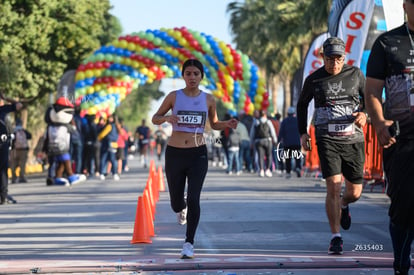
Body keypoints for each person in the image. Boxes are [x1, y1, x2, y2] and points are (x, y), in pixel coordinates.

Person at [151, 59, 238, 259]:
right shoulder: (174, 96)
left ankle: (189, 242)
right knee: (176, 202)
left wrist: (227, 123)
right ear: (183, 76)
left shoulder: (208, 99)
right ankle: (180, 209)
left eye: (196, 74)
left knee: (194, 198)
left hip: (198, 154)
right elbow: (154, 118)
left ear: (201, 76)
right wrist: (166, 118)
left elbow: (214, 124)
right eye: (188, 73)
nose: (192, 77)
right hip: (175, 153)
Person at [297, 37, 367, 255]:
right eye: (329, 59)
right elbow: (301, 105)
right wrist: (303, 133)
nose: (334, 63)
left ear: (344, 57)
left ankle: (344, 205)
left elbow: (369, 98)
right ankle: (335, 237)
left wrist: (364, 114)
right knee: (333, 187)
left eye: (338, 59)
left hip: (353, 140)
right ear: (322, 58)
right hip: (327, 140)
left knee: (354, 192)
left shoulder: (355, 74)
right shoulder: (314, 79)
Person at [365, 2, 414, 273]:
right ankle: (400, 260)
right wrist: (379, 121)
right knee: (403, 207)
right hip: (400, 140)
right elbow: (371, 91)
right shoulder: (387, 42)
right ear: (406, 5)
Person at [0, 96, 23, 204]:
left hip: (3, 145)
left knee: (3, 170)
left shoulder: (4, 109)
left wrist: (6, 98)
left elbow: (19, 105)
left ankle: (3, 196)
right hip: (3, 144)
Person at [250, 110, 277, 177]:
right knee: (269, 155)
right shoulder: (268, 122)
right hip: (268, 140)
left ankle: (261, 170)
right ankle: (267, 170)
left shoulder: (256, 122)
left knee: (260, 156)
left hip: (258, 141)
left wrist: (251, 142)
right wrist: (275, 140)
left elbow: (252, 133)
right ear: (265, 115)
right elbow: (272, 131)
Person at [278, 107, 302, 179]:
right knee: (297, 157)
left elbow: (281, 132)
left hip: (287, 142)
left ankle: (288, 172)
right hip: (297, 142)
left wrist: (278, 140)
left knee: (288, 158)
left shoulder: (284, 121)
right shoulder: (298, 120)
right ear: (294, 113)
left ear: (287, 113)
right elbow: (302, 130)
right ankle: (298, 167)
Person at [11, 118, 32, 183]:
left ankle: (14, 178)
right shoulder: (24, 131)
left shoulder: (13, 131)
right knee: (22, 165)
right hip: (23, 150)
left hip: (14, 150)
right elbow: (30, 136)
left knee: (13, 164)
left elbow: (10, 140)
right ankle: (22, 177)